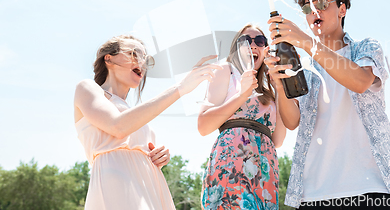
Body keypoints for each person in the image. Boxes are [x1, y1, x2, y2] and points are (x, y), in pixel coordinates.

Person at [265, 0, 390, 209]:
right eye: (307, 9)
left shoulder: (366, 47)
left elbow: (360, 81)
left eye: (321, 4)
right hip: (314, 194)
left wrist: (306, 42)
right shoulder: (306, 69)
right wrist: (280, 84)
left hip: (372, 188)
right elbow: (292, 122)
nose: (314, 12)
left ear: (342, 9)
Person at [74, 34, 221, 209]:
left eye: (146, 58)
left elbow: (130, 135)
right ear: (109, 58)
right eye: (134, 53)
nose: (142, 62)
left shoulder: (132, 111)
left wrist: (158, 156)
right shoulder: (88, 89)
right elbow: (118, 126)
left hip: (150, 188)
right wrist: (180, 89)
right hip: (118, 185)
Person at [198, 24, 286, 210]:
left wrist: (279, 87)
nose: (253, 45)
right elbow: (203, 126)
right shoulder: (226, 71)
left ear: (266, 50)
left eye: (260, 41)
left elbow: (277, 140)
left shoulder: (269, 90)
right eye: (245, 41)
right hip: (232, 163)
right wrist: (242, 95)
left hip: (265, 168)